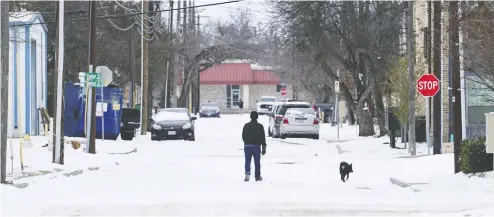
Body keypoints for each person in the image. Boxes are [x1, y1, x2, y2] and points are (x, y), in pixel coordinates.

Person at [242, 111, 267, 182]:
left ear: (250, 117)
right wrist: (264, 147)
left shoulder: (246, 126)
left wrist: (246, 142)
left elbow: (243, 136)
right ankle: (257, 176)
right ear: (257, 117)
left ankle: (247, 173)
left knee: (247, 160)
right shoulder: (260, 126)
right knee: (257, 162)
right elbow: (262, 137)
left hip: (247, 146)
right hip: (256, 146)